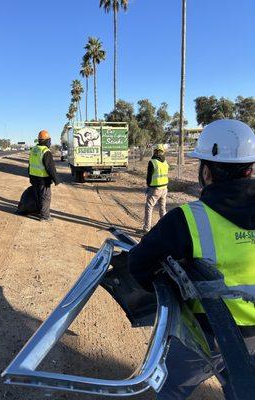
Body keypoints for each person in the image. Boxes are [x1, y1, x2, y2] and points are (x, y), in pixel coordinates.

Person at [121, 119, 255, 399]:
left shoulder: (188, 219)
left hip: (206, 336)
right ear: (251, 169)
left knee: (170, 389)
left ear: (205, 172)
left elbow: (139, 265)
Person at [29, 130, 59, 221]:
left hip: (34, 178)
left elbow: (30, 164)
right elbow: (50, 168)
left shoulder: (34, 149)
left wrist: (30, 176)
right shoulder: (46, 151)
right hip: (43, 179)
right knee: (45, 197)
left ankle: (39, 212)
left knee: (38, 196)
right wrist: (56, 180)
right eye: (49, 140)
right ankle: (45, 216)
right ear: (46, 141)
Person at [142, 144, 169, 233]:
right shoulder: (165, 162)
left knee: (149, 207)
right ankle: (165, 227)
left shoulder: (153, 162)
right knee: (162, 207)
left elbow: (149, 177)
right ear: (162, 152)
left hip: (155, 188)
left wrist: (148, 186)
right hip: (164, 188)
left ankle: (147, 228)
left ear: (155, 151)